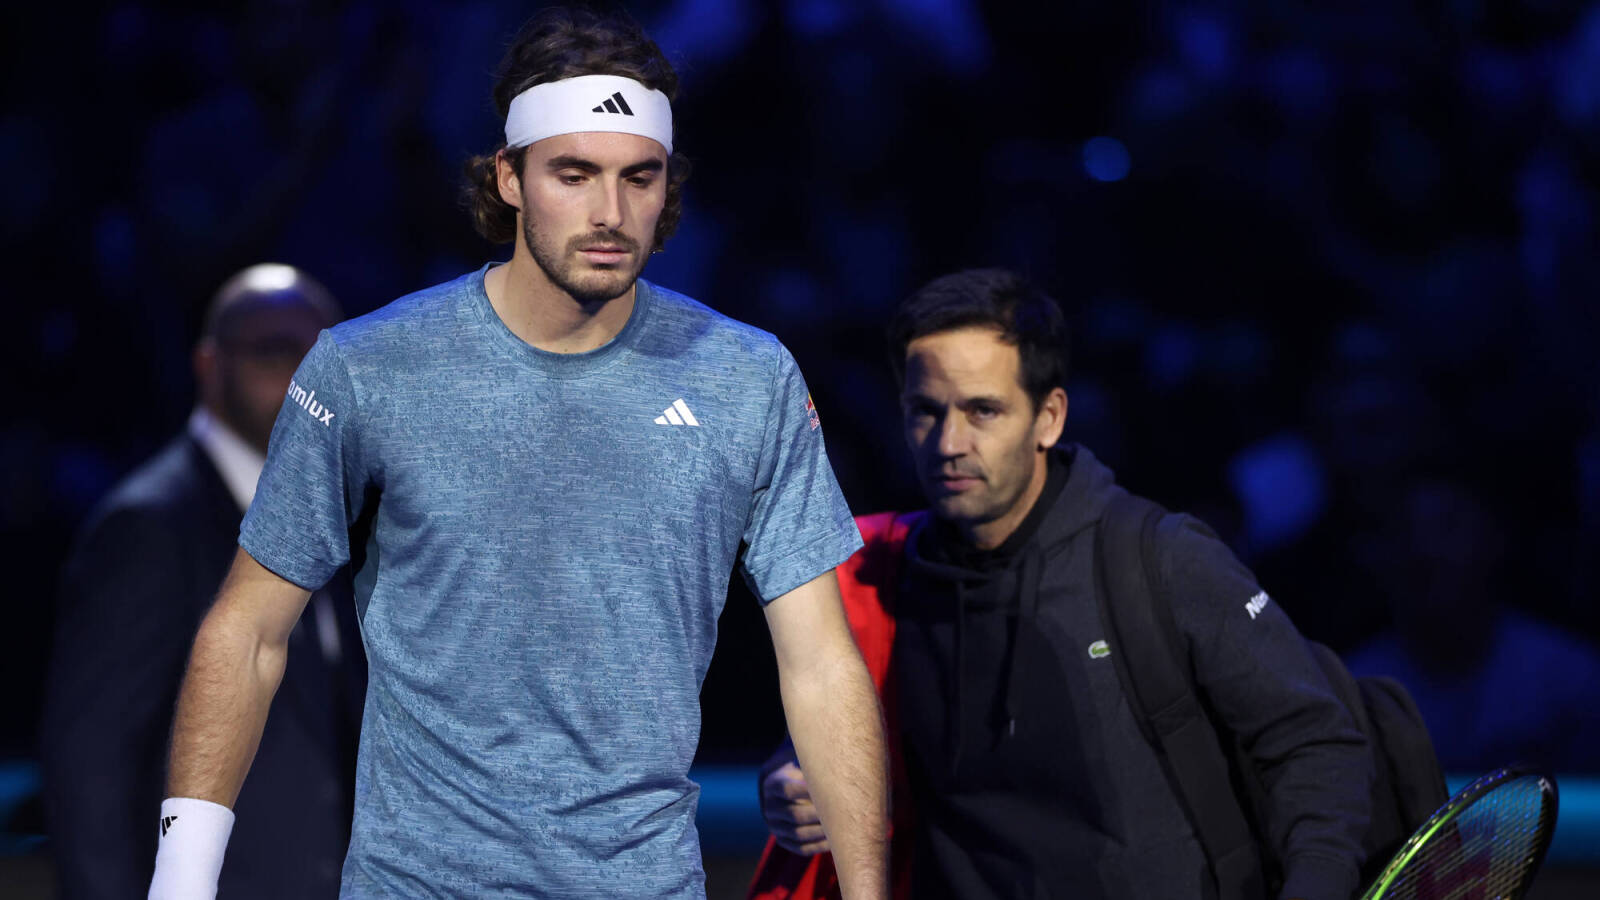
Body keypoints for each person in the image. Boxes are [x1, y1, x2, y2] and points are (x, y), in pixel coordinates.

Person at [149, 8, 887, 899]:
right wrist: (178, 885)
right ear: (508, 176)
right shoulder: (370, 366)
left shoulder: (747, 377)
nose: (611, 213)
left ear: (668, 187)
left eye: (638, 178)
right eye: (573, 174)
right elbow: (250, 630)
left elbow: (820, 663)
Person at [750, 269, 1372, 900]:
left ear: (1048, 418)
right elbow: (815, 744)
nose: (949, 442)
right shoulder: (881, 574)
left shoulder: (1160, 558)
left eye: (982, 410)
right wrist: (788, 782)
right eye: (925, 412)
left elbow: (1317, 743)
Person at [41, 264, 364, 899]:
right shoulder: (149, 527)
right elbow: (89, 773)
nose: (304, 379)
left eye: (323, 354)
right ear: (209, 366)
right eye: (275, 351)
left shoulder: (349, 514)